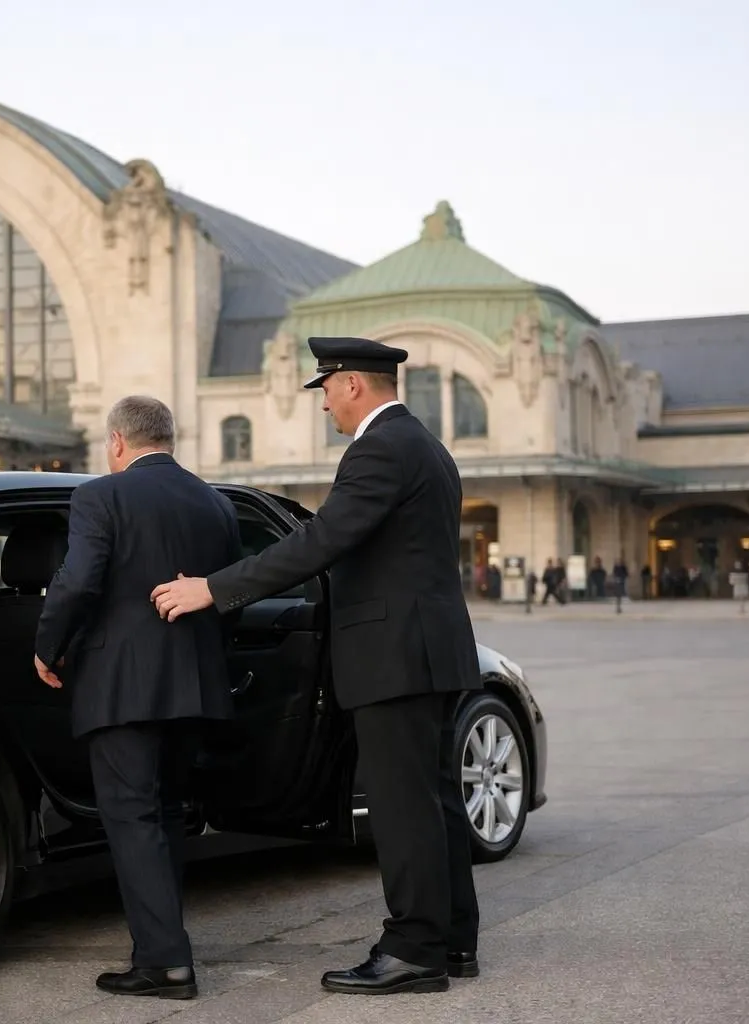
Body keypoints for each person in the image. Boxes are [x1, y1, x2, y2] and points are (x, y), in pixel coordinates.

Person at [150, 337, 482, 995]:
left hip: (396, 654)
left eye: (326, 387)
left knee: (401, 807)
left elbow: (321, 541)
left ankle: (414, 949)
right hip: (429, 649)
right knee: (435, 801)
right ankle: (451, 943)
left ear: (354, 384)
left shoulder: (381, 448)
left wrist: (211, 589)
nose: (324, 400)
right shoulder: (425, 445)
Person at [33, 394, 241, 1000]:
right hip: (195, 686)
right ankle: (157, 946)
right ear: (168, 439)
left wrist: (49, 646)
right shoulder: (217, 504)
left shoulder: (101, 495)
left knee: (133, 820)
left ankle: (166, 963)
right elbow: (228, 593)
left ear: (117, 443)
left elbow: (77, 582)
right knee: (166, 817)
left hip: (123, 688)